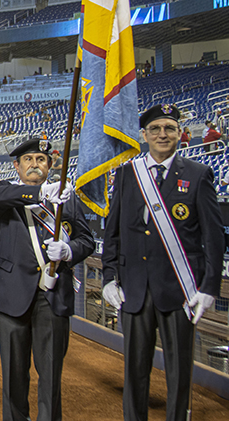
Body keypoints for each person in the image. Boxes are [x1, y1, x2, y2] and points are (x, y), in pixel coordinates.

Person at [102, 104, 223, 421]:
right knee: (134, 369)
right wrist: (108, 277)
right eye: (155, 129)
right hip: (135, 288)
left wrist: (208, 287)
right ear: (144, 135)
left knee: (180, 369)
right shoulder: (128, 174)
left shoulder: (198, 175)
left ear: (180, 134)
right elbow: (112, 231)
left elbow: (213, 236)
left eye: (169, 128)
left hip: (180, 290)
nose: (162, 134)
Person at [0, 137, 94, 421]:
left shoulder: (68, 200)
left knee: (51, 372)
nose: (35, 164)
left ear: (50, 164)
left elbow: (86, 240)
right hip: (12, 293)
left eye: (41, 159)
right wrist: (42, 194)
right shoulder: (3, 190)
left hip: (53, 294)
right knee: (13, 372)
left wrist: (69, 251)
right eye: (28, 160)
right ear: (16, 166)